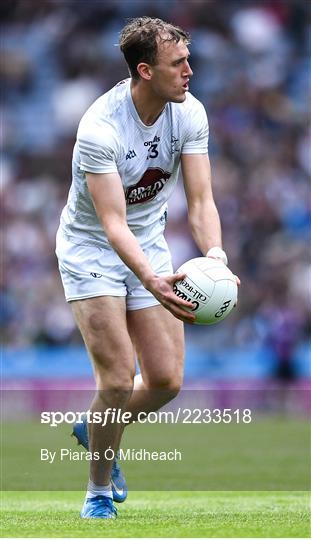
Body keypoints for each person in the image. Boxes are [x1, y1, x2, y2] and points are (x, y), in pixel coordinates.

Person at [56, 16, 233, 519]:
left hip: (150, 244)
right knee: (115, 380)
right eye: (177, 63)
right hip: (92, 251)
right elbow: (112, 224)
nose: (189, 71)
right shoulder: (99, 129)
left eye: (187, 60)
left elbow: (201, 202)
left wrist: (215, 256)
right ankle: (95, 492)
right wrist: (151, 281)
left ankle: (96, 429)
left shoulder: (190, 113)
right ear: (145, 70)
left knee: (165, 381)